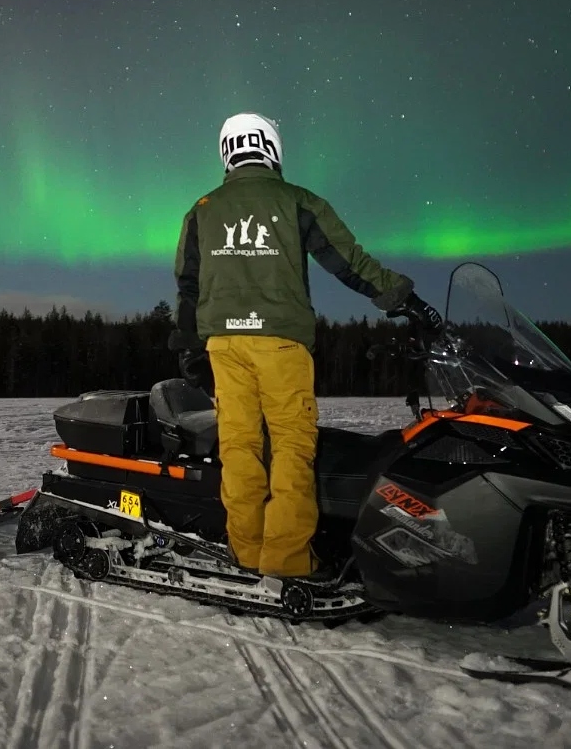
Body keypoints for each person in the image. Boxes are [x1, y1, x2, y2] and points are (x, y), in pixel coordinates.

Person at [172, 112, 442, 579]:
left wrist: (191, 347)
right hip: (279, 342)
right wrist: (405, 299)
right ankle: (287, 562)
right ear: (271, 149)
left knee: (239, 449)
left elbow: (188, 287)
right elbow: (349, 263)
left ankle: (247, 553)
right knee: (292, 448)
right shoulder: (298, 201)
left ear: (227, 152)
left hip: (224, 345)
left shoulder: (202, 208)